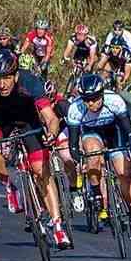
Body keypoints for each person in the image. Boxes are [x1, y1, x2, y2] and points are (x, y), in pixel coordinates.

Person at [0, 49, 70, 249]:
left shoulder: (31, 82)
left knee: (40, 171)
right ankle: (9, 183)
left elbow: (50, 117)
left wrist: (51, 133)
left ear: (16, 75)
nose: (2, 84)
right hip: (0, 122)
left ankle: (58, 226)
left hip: (29, 121)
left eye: (7, 78)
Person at [67, 73, 131, 240]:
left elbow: (130, 133)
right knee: (92, 156)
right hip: (92, 134)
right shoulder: (75, 108)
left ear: (101, 94)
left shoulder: (115, 101)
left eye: (94, 98)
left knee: (124, 173)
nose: (90, 103)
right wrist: (79, 160)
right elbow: (73, 145)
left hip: (114, 133)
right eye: (86, 99)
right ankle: (96, 192)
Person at [46, 79, 85, 213]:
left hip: (63, 131)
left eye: (50, 100)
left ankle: (74, 190)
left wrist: (77, 144)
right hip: (44, 133)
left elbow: (74, 126)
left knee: (67, 157)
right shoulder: (35, 106)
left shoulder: (62, 104)